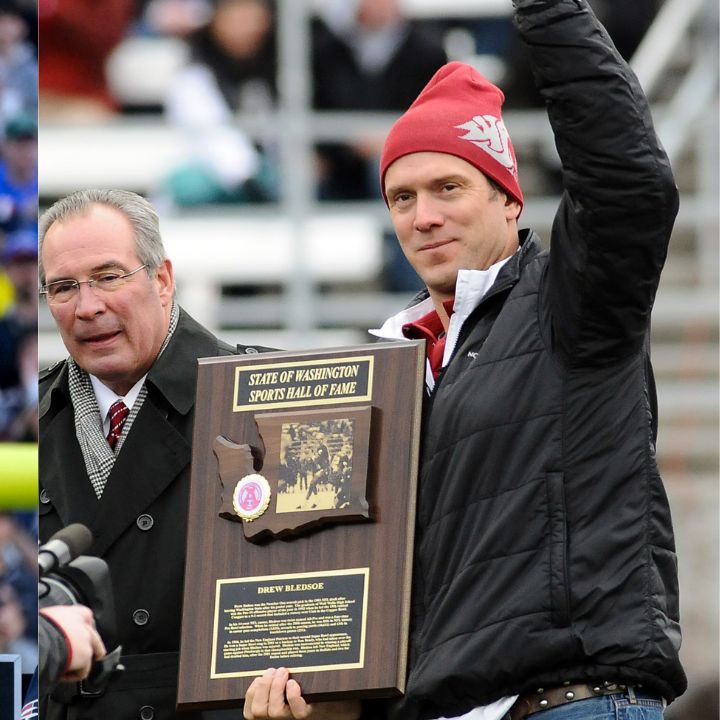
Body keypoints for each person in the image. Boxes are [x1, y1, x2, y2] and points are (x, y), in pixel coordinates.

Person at [245, 1, 685, 718]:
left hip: (567, 700)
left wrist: (547, 10)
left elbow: (629, 184)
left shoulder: (570, 303)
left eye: (449, 188)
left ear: (509, 199)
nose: (423, 216)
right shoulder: (380, 372)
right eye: (402, 197)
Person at [39, 189, 264, 718]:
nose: (87, 306)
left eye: (108, 276)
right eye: (63, 287)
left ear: (162, 280)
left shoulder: (262, 397)